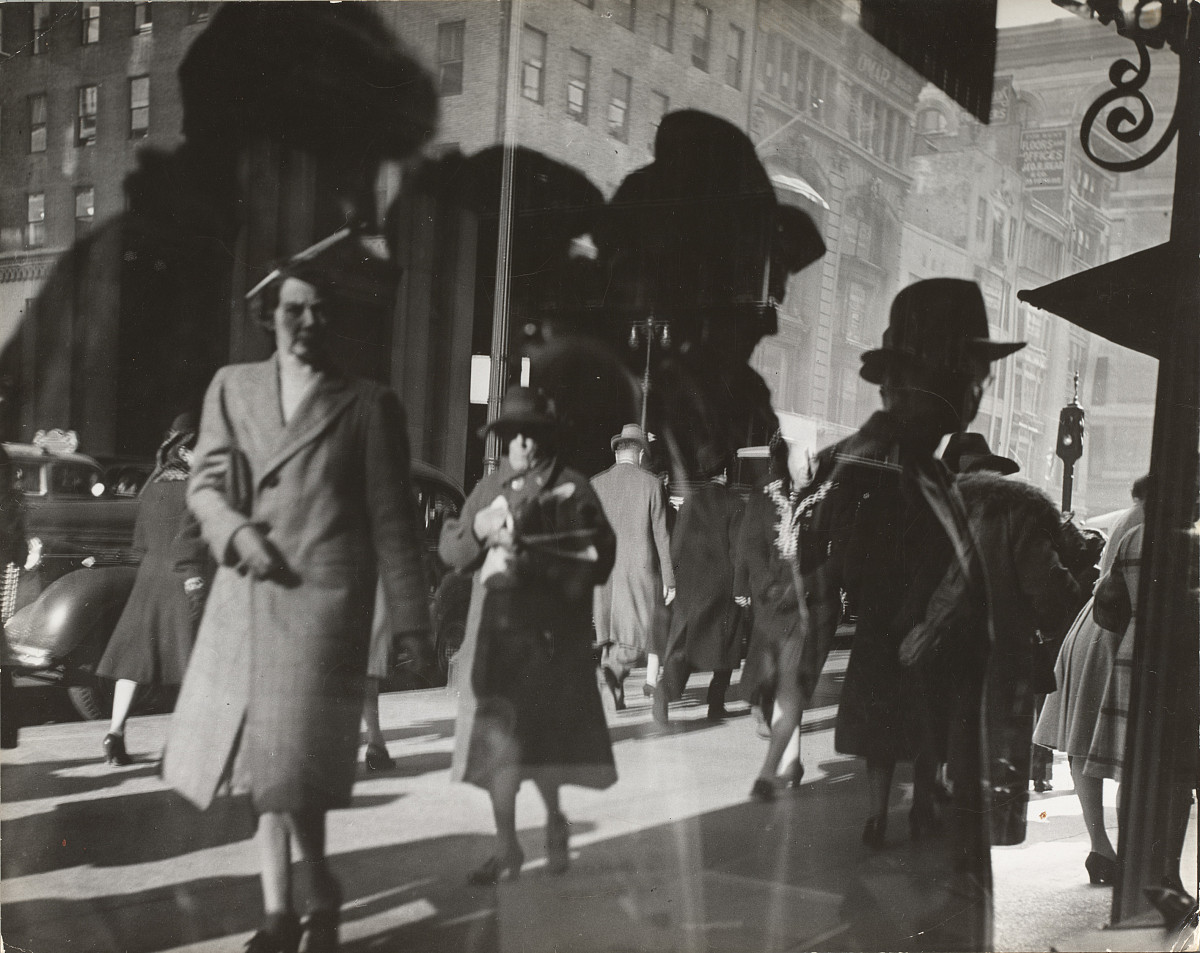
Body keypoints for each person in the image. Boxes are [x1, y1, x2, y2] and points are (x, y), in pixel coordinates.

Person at [162, 260, 432, 953]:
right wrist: (234, 531)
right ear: (269, 315)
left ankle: (301, 899)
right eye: (293, 309)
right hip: (245, 603)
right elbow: (205, 484)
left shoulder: (368, 404)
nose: (307, 322)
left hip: (322, 607)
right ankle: (291, 905)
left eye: (320, 310)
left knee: (288, 768)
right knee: (266, 769)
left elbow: (394, 523)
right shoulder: (234, 386)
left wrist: (411, 623)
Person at [781, 279, 1024, 950]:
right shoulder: (892, 468)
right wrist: (924, 619)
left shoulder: (922, 469)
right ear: (935, 374)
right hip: (916, 661)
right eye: (971, 367)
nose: (982, 382)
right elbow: (837, 554)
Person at [440, 387, 617, 884]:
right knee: (498, 751)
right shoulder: (488, 486)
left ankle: (555, 821)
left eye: (531, 434)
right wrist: (475, 528)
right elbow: (451, 552)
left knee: (541, 751)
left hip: (546, 647)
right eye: (511, 435)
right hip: (494, 646)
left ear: (545, 438)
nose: (521, 443)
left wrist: (547, 558)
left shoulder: (574, 488)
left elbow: (601, 559)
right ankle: (507, 846)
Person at [902, 432, 1084, 847]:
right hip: (997, 648)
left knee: (937, 732)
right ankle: (978, 841)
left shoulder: (929, 508)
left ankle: (927, 812)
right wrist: (1064, 604)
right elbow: (1045, 582)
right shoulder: (1014, 512)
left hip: (933, 641)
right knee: (988, 748)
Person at [1033, 475, 1150, 886]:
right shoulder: (1149, 521)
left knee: (1083, 741)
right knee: (1126, 747)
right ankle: (1117, 850)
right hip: (1117, 634)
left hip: (1094, 629)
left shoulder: (1129, 515)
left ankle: (1100, 847)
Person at [96, 413, 212, 765]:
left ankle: (114, 733)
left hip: (149, 579)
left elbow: (140, 541)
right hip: (182, 580)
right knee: (188, 665)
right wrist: (195, 584)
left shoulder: (153, 485)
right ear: (187, 452)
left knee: (135, 663)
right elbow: (190, 544)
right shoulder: (198, 488)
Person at [654, 456, 745, 725]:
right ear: (726, 472)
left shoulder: (690, 502)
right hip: (722, 588)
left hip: (690, 586)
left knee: (685, 645)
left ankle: (664, 693)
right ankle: (715, 705)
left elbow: (676, 548)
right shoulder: (736, 503)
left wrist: (673, 581)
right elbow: (738, 551)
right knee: (725, 646)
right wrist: (741, 587)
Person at [591, 423, 675, 710]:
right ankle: (611, 675)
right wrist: (669, 579)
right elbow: (662, 535)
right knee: (636, 635)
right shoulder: (652, 485)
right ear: (639, 454)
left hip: (603, 572)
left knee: (611, 633)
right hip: (638, 572)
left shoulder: (596, 484)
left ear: (618, 453)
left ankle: (615, 694)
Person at [742, 431, 808, 797]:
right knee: (786, 682)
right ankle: (788, 761)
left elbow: (749, 546)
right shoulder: (770, 495)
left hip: (794, 606)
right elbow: (751, 546)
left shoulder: (820, 497)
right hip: (781, 604)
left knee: (790, 682)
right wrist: (770, 586)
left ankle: (779, 765)